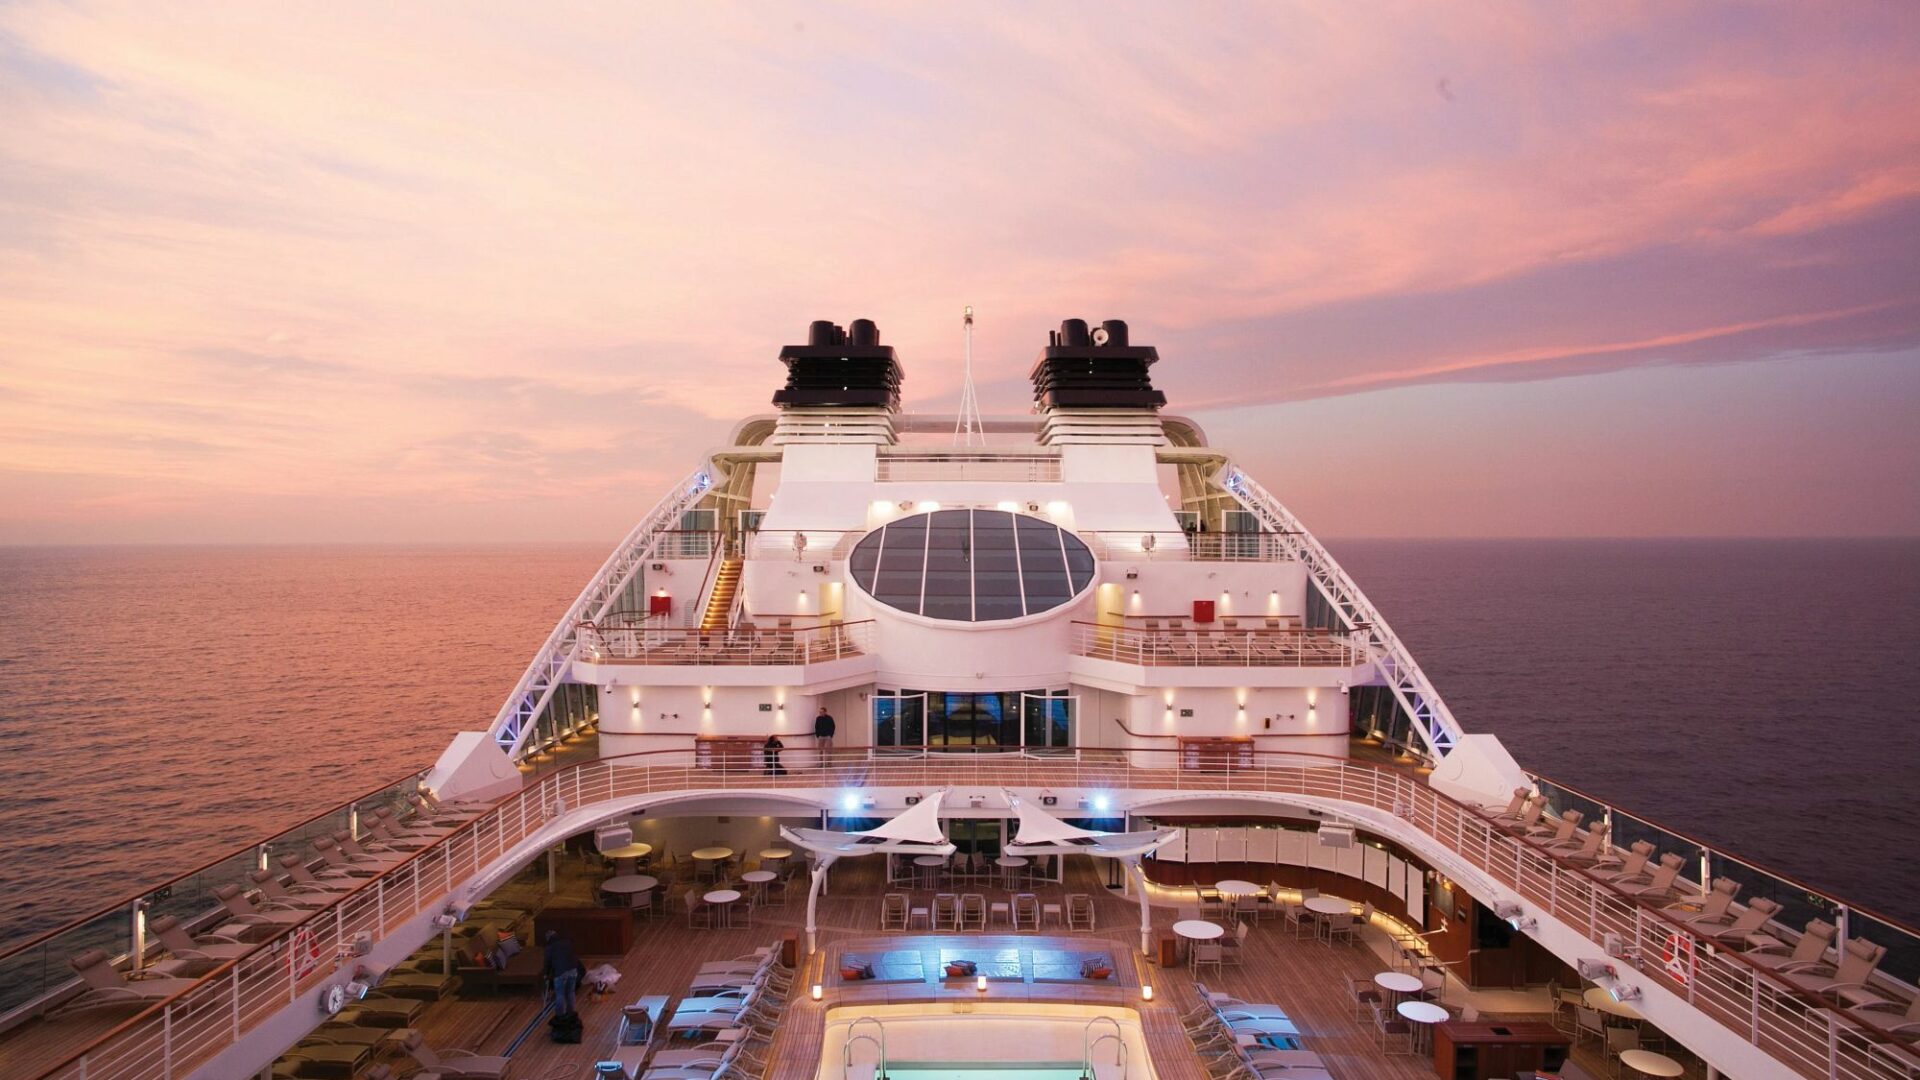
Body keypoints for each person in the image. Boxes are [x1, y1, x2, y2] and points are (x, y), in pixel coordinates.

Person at [543, 930, 581, 1017]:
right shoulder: (567, 942)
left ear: (548, 939)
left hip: (560, 972)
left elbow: (547, 962)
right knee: (570, 992)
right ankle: (570, 1013)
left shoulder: (550, 947)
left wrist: (546, 974)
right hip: (573, 970)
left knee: (560, 994)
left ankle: (560, 1016)